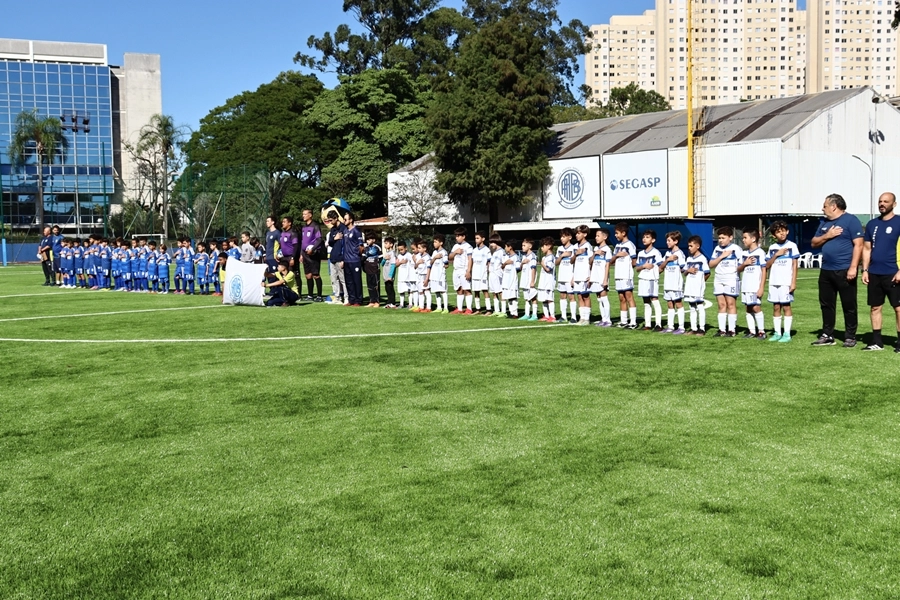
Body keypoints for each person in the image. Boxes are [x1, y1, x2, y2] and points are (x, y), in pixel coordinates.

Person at [811, 193, 864, 347]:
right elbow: (814, 243)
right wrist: (827, 235)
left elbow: (859, 245)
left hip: (844, 269)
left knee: (849, 305)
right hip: (826, 270)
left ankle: (850, 336)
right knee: (826, 304)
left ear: (834, 206)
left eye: (825, 206)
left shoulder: (851, 220)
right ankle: (827, 335)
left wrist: (853, 267)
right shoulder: (824, 223)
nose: (823, 208)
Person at [861, 192, 900, 351]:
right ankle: (877, 342)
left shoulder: (899, 222)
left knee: (898, 308)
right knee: (875, 307)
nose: (882, 204)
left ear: (894, 204)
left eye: (886, 201)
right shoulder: (872, 224)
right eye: (880, 201)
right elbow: (866, 248)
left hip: (893, 272)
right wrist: (864, 270)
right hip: (874, 272)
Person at [765, 221, 799, 343]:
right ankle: (777, 332)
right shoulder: (772, 248)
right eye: (778, 232)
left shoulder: (792, 246)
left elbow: (795, 265)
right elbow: (767, 265)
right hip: (774, 281)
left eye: (783, 231)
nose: (781, 233)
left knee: (786, 306)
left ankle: (787, 334)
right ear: (774, 235)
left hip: (786, 282)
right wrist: (776, 255)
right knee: (776, 307)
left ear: (787, 231)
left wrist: (793, 282)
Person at [709, 226, 742, 337]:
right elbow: (711, 264)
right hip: (718, 278)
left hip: (731, 279)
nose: (721, 240)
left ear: (730, 237)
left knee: (731, 304)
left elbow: (741, 264)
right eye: (719, 238)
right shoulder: (717, 249)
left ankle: (732, 330)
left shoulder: (736, 249)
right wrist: (721, 256)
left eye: (723, 237)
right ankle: (721, 329)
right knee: (721, 304)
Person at [738, 229, 768, 339]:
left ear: (753, 239)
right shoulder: (744, 253)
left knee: (756, 307)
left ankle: (761, 331)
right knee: (748, 308)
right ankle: (751, 331)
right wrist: (745, 264)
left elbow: (764, 270)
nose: (743, 240)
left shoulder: (760, 253)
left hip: (754, 286)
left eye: (745, 237)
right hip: (745, 285)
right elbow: (738, 269)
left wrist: (761, 287)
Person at [660, 231, 687, 334]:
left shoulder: (680, 254)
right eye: (667, 240)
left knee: (678, 304)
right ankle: (670, 326)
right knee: (670, 304)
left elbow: (683, 268)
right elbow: (661, 267)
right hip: (668, 283)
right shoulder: (667, 254)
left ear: (676, 241)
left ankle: (681, 327)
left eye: (669, 240)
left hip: (676, 284)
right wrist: (668, 260)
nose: (667, 242)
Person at [636, 230, 663, 331]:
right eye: (643, 237)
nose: (644, 239)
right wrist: (644, 266)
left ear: (653, 240)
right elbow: (637, 268)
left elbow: (661, 267)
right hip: (643, 279)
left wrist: (654, 272)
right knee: (646, 302)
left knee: (654, 300)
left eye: (647, 237)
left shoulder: (656, 252)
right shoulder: (641, 253)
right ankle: (647, 324)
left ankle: (658, 324)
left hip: (651, 279)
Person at [683, 235, 710, 335]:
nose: (689, 248)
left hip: (697, 287)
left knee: (699, 306)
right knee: (691, 306)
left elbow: (707, 273)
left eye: (691, 246)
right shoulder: (689, 259)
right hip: (689, 286)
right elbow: (685, 272)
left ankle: (702, 328)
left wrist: (700, 282)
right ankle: (693, 328)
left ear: (697, 246)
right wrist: (688, 271)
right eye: (688, 246)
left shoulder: (702, 259)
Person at [612, 223, 637, 328]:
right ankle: (623, 321)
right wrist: (617, 255)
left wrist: (627, 269)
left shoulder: (630, 245)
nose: (615, 235)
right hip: (618, 275)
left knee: (629, 297)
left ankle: (633, 322)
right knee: (621, 298)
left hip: (626, 275)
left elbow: (634, 261)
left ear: (623, 233)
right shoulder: (617, 246)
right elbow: (612, 260)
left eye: (617, 233)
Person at [300, 209, 325, 301]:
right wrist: (301, 254)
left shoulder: (315, 226)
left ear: (310, 215)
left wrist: (313, 249)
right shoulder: (303, 227)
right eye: (303, 214)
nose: (303, 216)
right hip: (305, 254)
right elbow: (303, 241)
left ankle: (319, 296)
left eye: (305, 214)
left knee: (315, 275)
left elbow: (319, 239)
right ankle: (310, 295)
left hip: (313, 254)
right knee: (308, 275)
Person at [590, 228, 613, 327]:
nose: (596, 238)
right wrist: (595, 254)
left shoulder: (607, 249)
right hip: (594, 277)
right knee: (599, 298)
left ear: (605, 237)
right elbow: (590, 262)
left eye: (598, 236)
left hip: (602, 277)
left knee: (604, 298)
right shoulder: (595, 249)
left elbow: (607, 265)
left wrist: (605, 279)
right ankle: (603, 319)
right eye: (596, 236)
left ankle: (608, 320)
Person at [340, 211, 364, 306]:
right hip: (346, 260)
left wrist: (358, 255)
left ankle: (358, 300)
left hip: (355, 260)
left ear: (351, 220)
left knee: (356, 281)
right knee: (348, 281)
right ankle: (351, 299)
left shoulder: (356, 231)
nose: (344, 221)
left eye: (345, 219)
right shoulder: (345, 231)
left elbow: (361, 247)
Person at [571, 225, 593, 325]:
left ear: (585, 234)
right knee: (579, 296)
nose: (577, 235)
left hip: (585, 274)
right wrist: (576, 254)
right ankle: (582, 318)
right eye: (576, 233)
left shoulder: (588, 246)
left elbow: (591, 261)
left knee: (586, 296)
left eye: (579, 233)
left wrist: (591, 275)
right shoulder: (575, 247)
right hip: (577, 275)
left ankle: (587, 318)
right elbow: (572, 261)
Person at [449, 227, 473, 314]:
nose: (456, 237)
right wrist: (455, 252)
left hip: (464, 270)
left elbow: (470, 259)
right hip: (456, 270)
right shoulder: (455, 246)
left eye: (458, 236)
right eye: (456, 236)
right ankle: (459, 309)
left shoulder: (468, 247)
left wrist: (468, 271)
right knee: (458, 289)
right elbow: (450, 257)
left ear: (463, 236)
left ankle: (469, 309)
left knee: (466, 289)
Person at [325, 214, 347, 305]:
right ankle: (337, 297)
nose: (330, 222)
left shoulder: (344, 228)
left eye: (331, 220)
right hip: (332, 257)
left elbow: (345, 245)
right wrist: (335, 238)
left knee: (343, 279)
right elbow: (329, 242)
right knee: (334, 279)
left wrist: (343, 259)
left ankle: (346, 297)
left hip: (340, 257)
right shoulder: (332, 229)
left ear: (336, 218)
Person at [555, 228, 575, 323]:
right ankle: (563, 316)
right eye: (561, 237)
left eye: (564, 236)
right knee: (562, 295)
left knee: (571, 296)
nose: (562, 239)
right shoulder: (559, 249)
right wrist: (561, 256)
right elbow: (556, 263)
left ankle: (573, 317)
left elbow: (575, 263)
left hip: (569, 276)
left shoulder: (574, 248)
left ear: (570, 237)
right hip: (561, 276)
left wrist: (573, 277)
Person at [427, 233, 449, 313]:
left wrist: (445, 265)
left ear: (441, 243)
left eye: (436, 242)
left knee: (443, 291)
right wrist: (435, 257)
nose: (434, 243)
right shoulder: (434, 252)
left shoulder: (444, 252)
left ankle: (446, 308)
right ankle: (439, 307)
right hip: (434, 275)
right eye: (434, 242)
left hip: (440, 275)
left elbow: (446, 264)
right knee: (436, 291)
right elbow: (430, 262)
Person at [536, 237, 557, 322]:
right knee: (543, 299)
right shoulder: (544, 257)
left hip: (548, 282)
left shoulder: (551, 257)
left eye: (543, 246)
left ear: (549, 246)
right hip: (543, 282)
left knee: (549, 299)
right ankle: (546, 315)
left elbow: (549, 269)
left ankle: (552, 316)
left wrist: (542, 264)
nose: (541, 248)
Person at [518, 238, 539, 321]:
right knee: (526, 298)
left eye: (524, 245)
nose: (522, 247)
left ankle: (534, 315)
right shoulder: (523, 256)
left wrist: (532, 281)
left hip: (530, 280)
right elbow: (520, 268)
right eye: (522, 245)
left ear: (530, 246)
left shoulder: (533, 256)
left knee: (533, 297)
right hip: (524, 280)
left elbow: (533, 269)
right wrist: (522, 263)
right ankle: (527, 314)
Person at [470, 232, 491, 314]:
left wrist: (488, 271)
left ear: (483, 239)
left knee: (485, 291)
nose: (476, 240)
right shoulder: (474, 250)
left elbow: (489, 262)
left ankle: (488, 309)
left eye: (478, 238)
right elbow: (472, 262)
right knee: (476, 291)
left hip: (483, 274)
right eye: (475, 238)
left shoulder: (487, 250)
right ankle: (478, 309)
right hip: (475, 274)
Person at [501, 240, 521, 318]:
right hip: (506, 280)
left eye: (506, 246)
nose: (505, 248)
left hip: (512, 280)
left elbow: (518, 268)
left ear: (510, 247)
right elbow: (502, 267)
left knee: (513, 297)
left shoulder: (516, 257)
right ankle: (511, 313)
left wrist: (512, 266)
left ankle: (515, 313)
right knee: (508, 297)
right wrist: (505, 263)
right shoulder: (506, 257)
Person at [362, 231, 382, 307]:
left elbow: (380, 258)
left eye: (370, 239)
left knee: (375, 286)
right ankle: (371, 301)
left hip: (375, 270)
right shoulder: (366, 248)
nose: (368, 241)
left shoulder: (377, 248)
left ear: (374, 240)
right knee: (369, 286)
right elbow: (363, 258)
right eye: (367, 240)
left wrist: (378, 266)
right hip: (368, 270)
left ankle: (377, 301)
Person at [488, 234, 505, 317]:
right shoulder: (494, 253)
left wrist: (500, 271)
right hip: (492, 274)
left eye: (492, 242)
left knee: (500, 292)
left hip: (498, 274)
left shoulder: (502, 252)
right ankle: (496, 310)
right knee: (494, 293)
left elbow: (504, 263)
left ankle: (503, 311)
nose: (491, 245)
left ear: (497, 242)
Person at [395, 240, 413, 309]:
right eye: (399, 250)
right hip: (401, 276)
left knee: (409, 290)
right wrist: (401, 263)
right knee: (401, 290)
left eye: (402, 249)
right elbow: (396, 265)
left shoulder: (409, 255)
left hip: (408, 276)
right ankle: (401, 304)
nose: (400, 251)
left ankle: (410, 303)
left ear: (406, 248)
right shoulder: (399, 256)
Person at [382, 237, 397, 308]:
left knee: (390, 288)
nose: (385, 245)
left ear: (391, 244)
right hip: (385, 275)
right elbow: (382, 264)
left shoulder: (392, 254)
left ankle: (392, 303)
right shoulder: (386, 253)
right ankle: (389, 302)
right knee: (387, 289)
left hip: (389, 276)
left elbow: (393, 265)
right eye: (384, 243)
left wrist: (390, 275)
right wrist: (384, 259)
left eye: (386, 243)